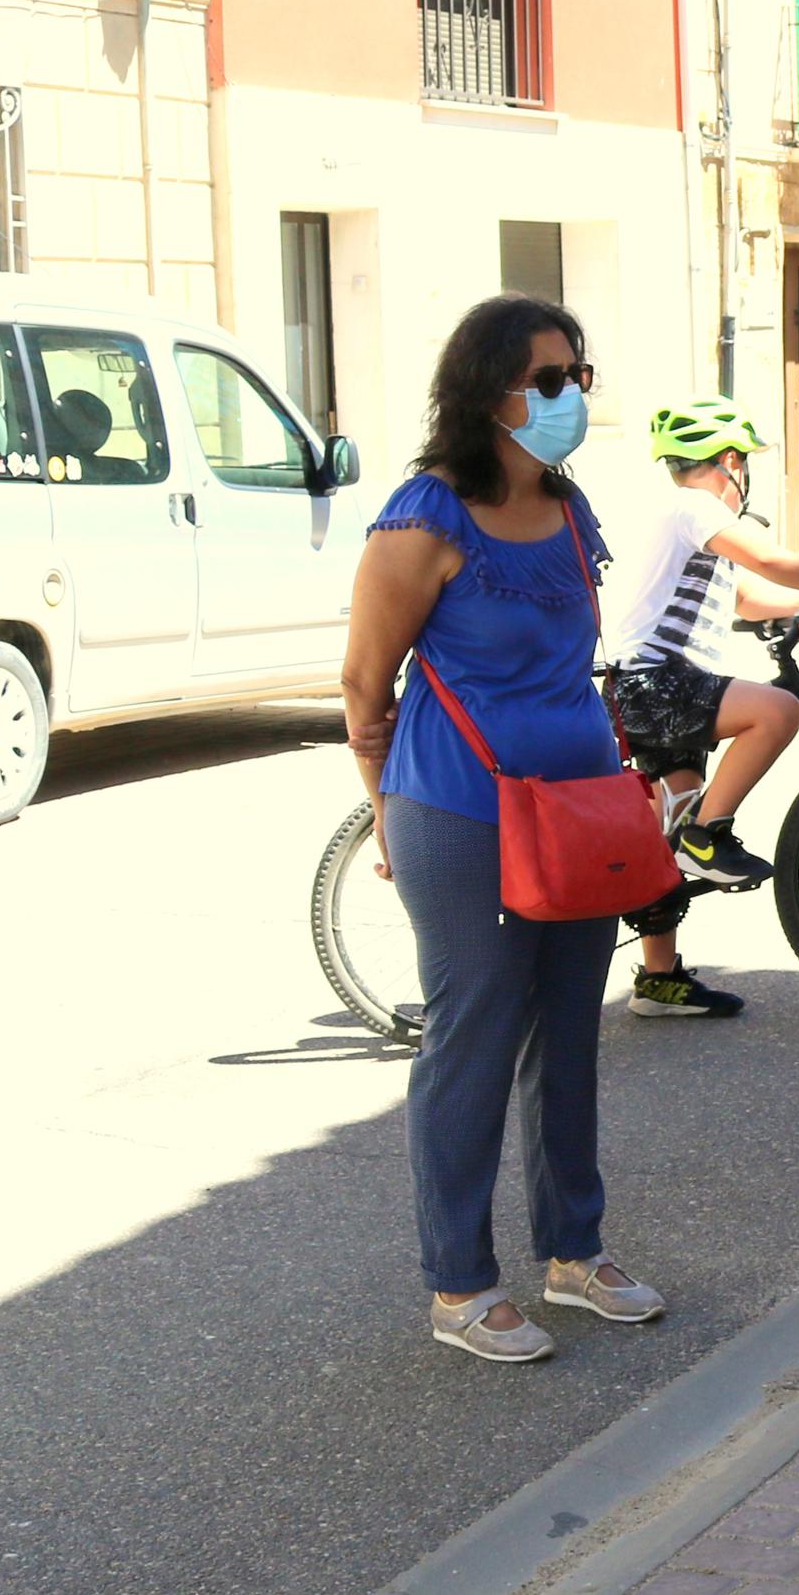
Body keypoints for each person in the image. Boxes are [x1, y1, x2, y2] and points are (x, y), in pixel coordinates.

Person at [341, 294, 667, 1362]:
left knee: (570, 1026)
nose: (572, 395)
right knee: (474, 1031)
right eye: (552, 378)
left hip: (576, 809)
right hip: (460, 805)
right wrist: (388, 808)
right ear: (491, 391)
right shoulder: (422, 519)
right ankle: (459, 1284)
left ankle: (573, 1251)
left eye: (579, 374)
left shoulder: (572, 512)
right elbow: (363, 684)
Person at [601, 395, 799, 1021]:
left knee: (660, 840)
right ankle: (706, 837)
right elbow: (770, 559)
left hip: (661, 685)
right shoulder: (694, 507)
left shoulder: (692, 527)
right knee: (777, 711)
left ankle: (659, 982)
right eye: (743, 463)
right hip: (657, 682)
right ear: (729, 461)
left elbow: (745, 594)